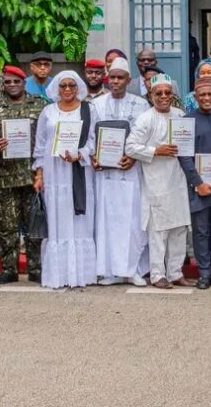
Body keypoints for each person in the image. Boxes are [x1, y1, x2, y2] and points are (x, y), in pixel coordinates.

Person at [126, 74, 196, 289]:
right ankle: (157, 275)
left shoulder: (180, 115)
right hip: (156, 183)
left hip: (178, 181)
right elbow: (130, 147)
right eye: (159, 93)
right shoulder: (145, 119)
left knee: (179, 229)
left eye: (167, 92)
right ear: (151, 95)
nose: (164, 96)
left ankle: (176, 273)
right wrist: (156, 151)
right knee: (159, 231)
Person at [32, 71, 98, 289]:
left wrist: (80, 154)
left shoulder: (88, 110)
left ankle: (81, 275)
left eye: (72, 85)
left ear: (78, 87)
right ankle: (58, 275)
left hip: (79, 171)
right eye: (63, 86)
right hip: (53, 174)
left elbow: (94, 140)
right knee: (57, 219)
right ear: (57, 89)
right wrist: (39, 174)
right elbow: (40, 144)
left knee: (80, 221)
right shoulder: (48, 112)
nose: (67, 89)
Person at [0, 66, 48, 284]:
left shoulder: (41, 105)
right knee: (6, 227)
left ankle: (36, 268)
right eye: (8, 82)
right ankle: (8, 269)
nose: (12, 85)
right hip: (3, 178)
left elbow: (49, 136)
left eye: (16, 81)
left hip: (33, 176)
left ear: (24, 82)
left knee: (34, 225)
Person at [91, 58, 150, 287]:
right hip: (105, 174)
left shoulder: (141, 105)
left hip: (131, 172)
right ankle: (111, 270)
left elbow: (145, 137)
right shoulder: (96, 105)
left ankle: (133, 269)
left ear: (128, 80)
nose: (115, 81)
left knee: (132, 223)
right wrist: (93, 156)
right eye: (112, 77)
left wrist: (133, 157)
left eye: (120, 77)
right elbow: (90, 137)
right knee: (108, 221)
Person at [178, 78, 211, 289]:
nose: (207, 98)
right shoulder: (187, 120)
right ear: (196, 97)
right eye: (202, 95)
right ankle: (204, 272)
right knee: (201, 231)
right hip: (198, 186)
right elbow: (183, 154)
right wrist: (197, 183)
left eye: (210, 94)